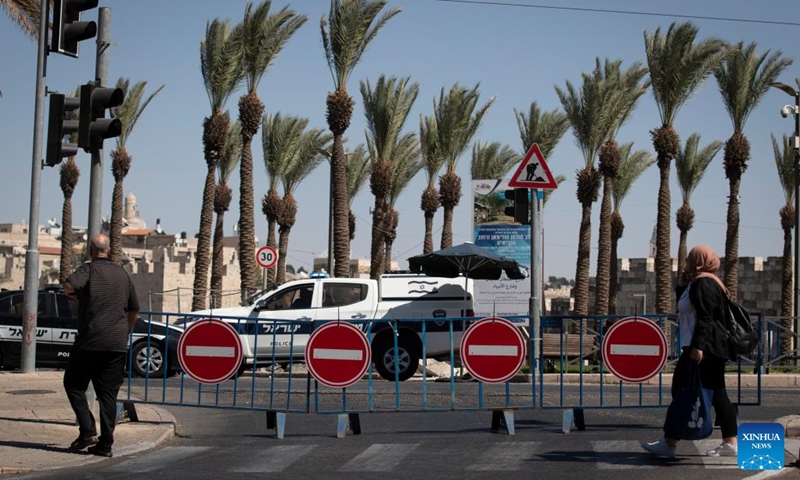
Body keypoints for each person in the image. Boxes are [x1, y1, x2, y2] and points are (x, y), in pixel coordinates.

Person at [642, 245, 738, 458]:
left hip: (704, 350)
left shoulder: (705, 283)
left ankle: (670, 442)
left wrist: (699, 347)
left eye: (689, 258)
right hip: (706, 348)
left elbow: (706, 318)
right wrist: (683, 284)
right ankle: (729, 443)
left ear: (698, 261)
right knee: (717, 394)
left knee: (682, 391)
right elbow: (689, 308)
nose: (685, 261)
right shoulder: (699, 282)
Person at [63, 233, 140, 458]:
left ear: (90, 251)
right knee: (108, 395)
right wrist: (126, 330)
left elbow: (69, 285)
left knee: (73, 384)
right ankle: (105, 445)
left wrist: (80, 295)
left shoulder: (89, 269)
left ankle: (87, 431)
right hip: (116, 344)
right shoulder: (123, 274)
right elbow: (134, 308)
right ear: (109, 250)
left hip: (90, 341)